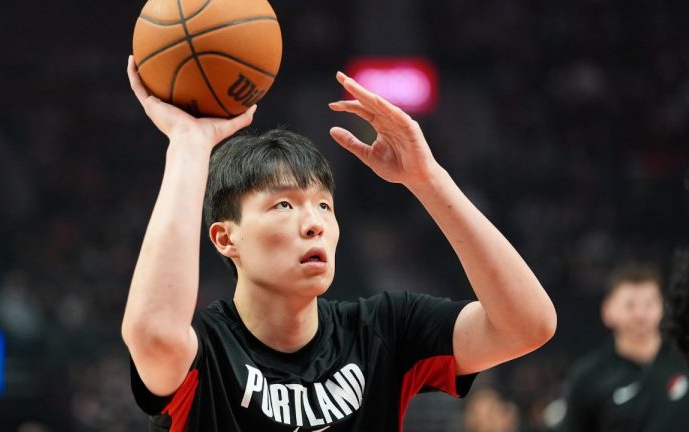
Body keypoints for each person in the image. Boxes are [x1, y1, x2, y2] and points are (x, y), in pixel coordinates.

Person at [121, 55, 557, 431]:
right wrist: (188, 146)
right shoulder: (207, 350)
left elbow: (527, 325)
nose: (314, 224)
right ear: (225, 237)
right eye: (284, 206)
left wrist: (429, 181)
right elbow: (153, 331)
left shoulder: (382, 331)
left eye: (324, 207)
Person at [557, 263, 689, 432]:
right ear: (608, 311)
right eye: (630, 305)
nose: (640, 315)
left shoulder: (683, 359)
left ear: (662, 308)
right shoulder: (588, 377)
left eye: (649, 304)